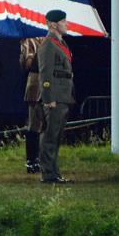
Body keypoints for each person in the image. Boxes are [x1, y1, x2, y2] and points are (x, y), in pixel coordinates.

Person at [37, 9, 75, 184]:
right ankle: (48, 174)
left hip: (63, 94)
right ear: (54, 24)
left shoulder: (60, 43)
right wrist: (48, 98)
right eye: (63, 21)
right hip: (55, 96)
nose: (67, 24)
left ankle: (54, 171)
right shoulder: (48, 45)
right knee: (50, 135)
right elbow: (45, 74)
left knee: (57, 135)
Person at [19, 36, 44, 173]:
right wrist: (27, 50)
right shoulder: (29, 40)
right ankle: (31, 161)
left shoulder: (48, 38)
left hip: (49, 83)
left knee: (46, 124)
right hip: (36, 83)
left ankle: (42, 157)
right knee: (34, 124)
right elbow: (25, 66)